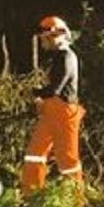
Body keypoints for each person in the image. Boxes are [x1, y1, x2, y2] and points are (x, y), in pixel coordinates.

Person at [20, 16, 86, 196]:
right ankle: (31, 194)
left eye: (44, 38)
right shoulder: (58, 57)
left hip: (64, 113)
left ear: (54, 36)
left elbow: (55, 89)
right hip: (52, 112)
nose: (42, 42)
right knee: (35, 153)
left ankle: (75, 203)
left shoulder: (66, 57)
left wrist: (36, 93)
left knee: (68, 160)